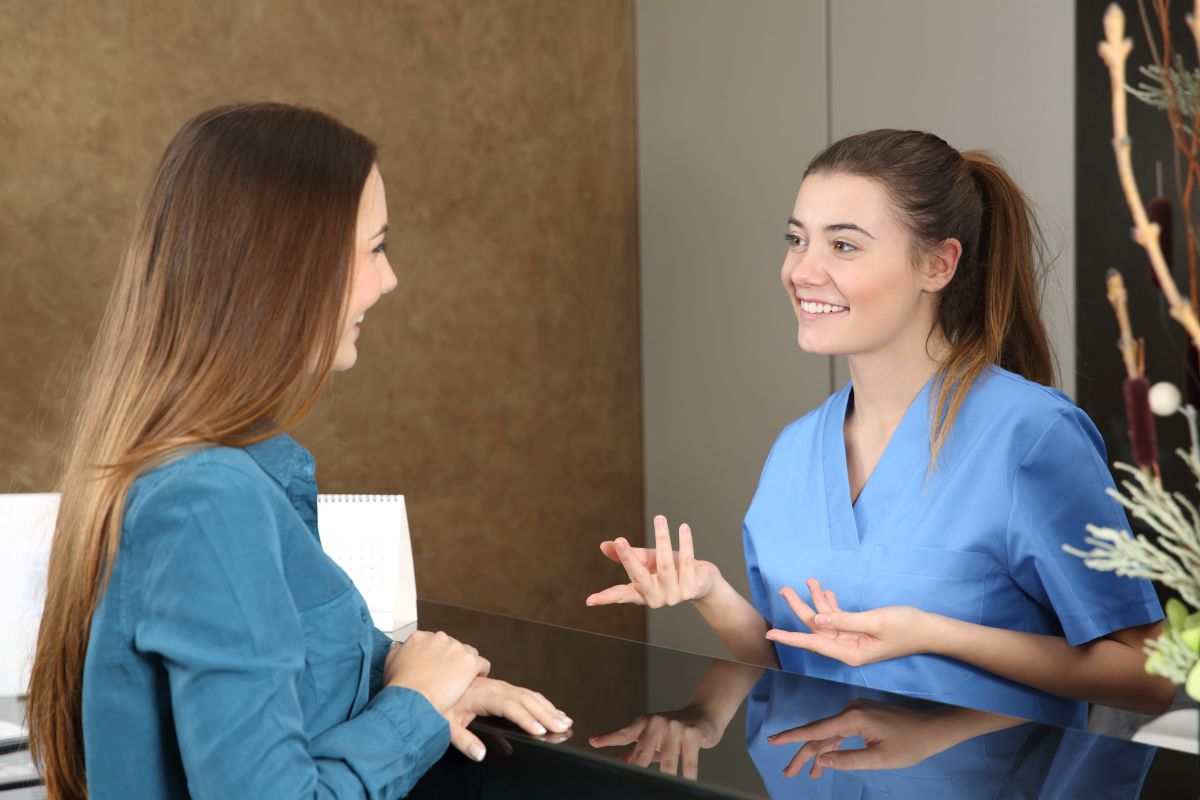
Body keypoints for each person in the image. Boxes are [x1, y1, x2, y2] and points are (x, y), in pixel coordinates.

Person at [27, 102, 570, 799]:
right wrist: (414, 709)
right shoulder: (207, 502)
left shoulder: (234, 476)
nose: (390, 279)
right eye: (375, 248)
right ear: (290, 270)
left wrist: (419, 676)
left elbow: (300, 662)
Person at [587, 129, 1176, 728]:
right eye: (797, 240)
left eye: (843, 245)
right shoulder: (795, 450)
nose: (802, 271)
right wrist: (711, 594)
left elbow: (1152, 676)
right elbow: (796, 671)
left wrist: (936, 634)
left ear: (938, 264)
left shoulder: (1032, 436)